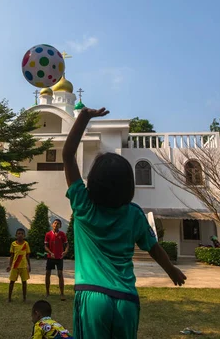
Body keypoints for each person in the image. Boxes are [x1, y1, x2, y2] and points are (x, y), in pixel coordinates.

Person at [62, 107, 187, 339]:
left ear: (94, 182)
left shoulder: (83, 204)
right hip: (127, 299)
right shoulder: (134, 214)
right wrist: (172, 270)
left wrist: (83, 117)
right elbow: (154, 248)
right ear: (128, 185)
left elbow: (68, 155)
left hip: (93, 296)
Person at [44, 219, 69, 300]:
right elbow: (45, 246)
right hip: (50, 257)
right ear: (52, 225)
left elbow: (67, 244)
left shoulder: (62, 234)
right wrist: (50, 252)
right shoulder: (48, 234)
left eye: (58, 223)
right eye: (55, 223)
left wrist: (65, 251)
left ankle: (62, 294)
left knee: (60, 274)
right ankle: (47, 292)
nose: (56, 225)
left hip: (59, 257)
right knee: (48, 274)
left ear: (60, 226)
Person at [6, 227, 31, 302]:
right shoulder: (13, 244)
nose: (20, 235)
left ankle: (24, 298)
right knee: (11, 282)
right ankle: (9, 298)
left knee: (24, 282)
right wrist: (10, 265)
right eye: (18, 234)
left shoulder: (26, 244)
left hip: (23, 266)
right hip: (15, 266)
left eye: (22, 234)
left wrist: (29, 265)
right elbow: (12, 255)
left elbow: (27, 256)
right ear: (16, 235)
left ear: (24, 235)